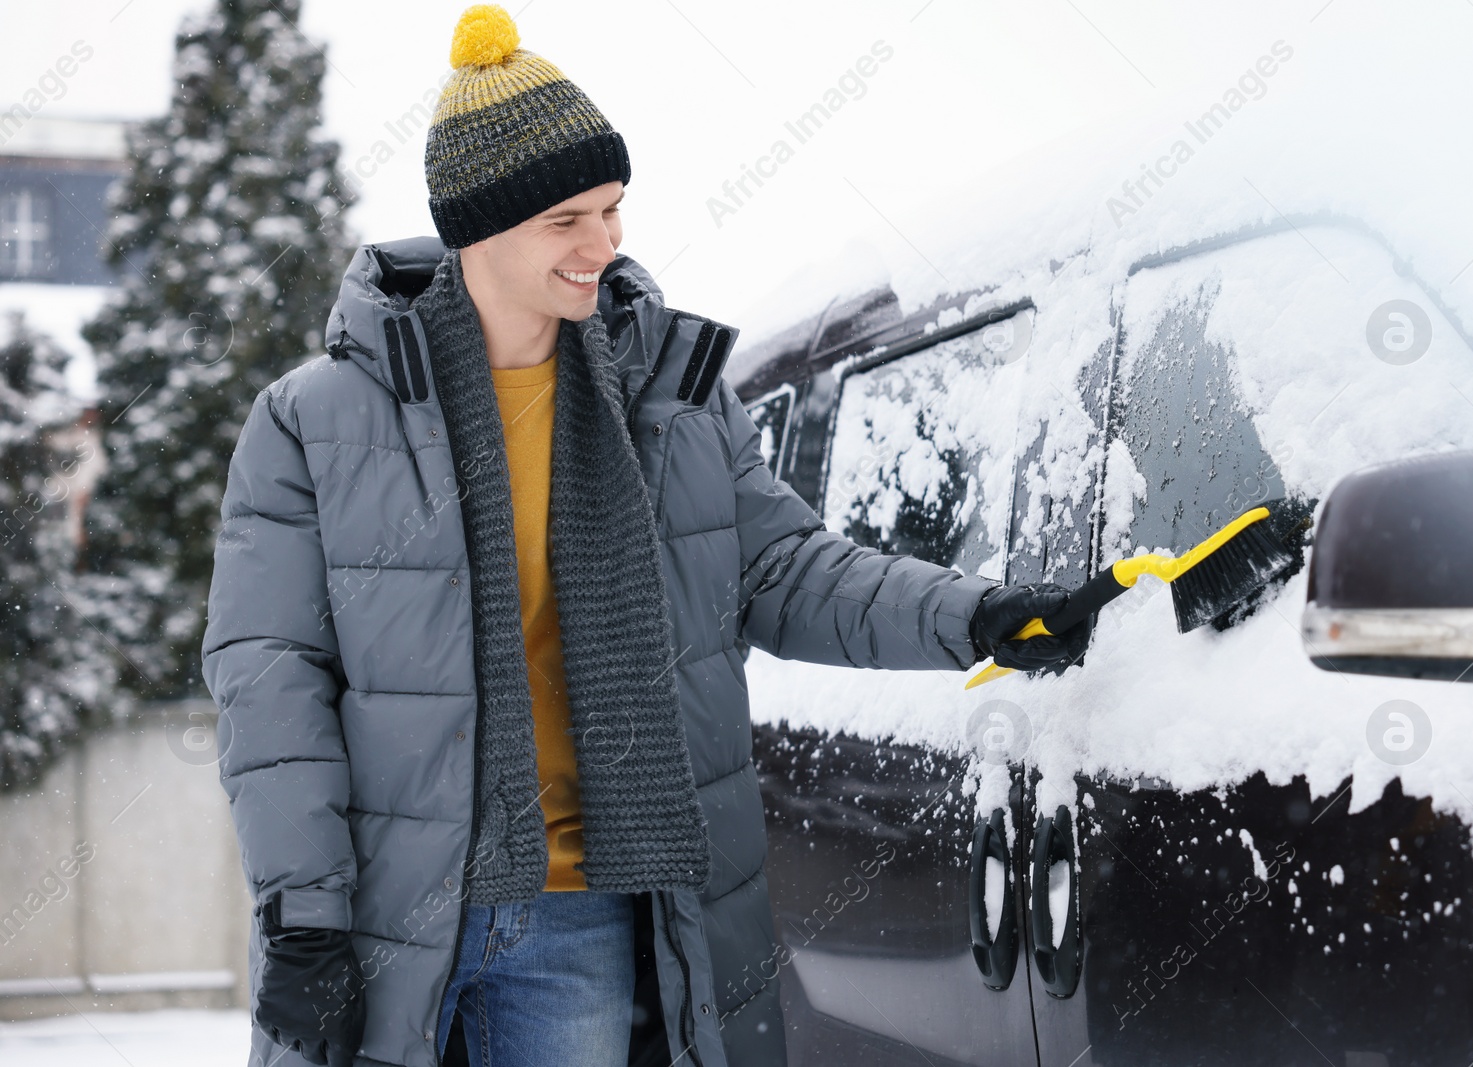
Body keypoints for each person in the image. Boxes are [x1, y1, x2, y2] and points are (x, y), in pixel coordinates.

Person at [200, 5, 1086, 1066]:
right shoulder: (319, 419)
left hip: (583, 909)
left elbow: (781, 569)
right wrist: (303, 914)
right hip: (390, 915)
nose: (604, 245)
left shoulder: (667, 396)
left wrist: (976, 615)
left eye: (613, 210)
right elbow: (271, 678)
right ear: (479, 229)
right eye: (567, 219)